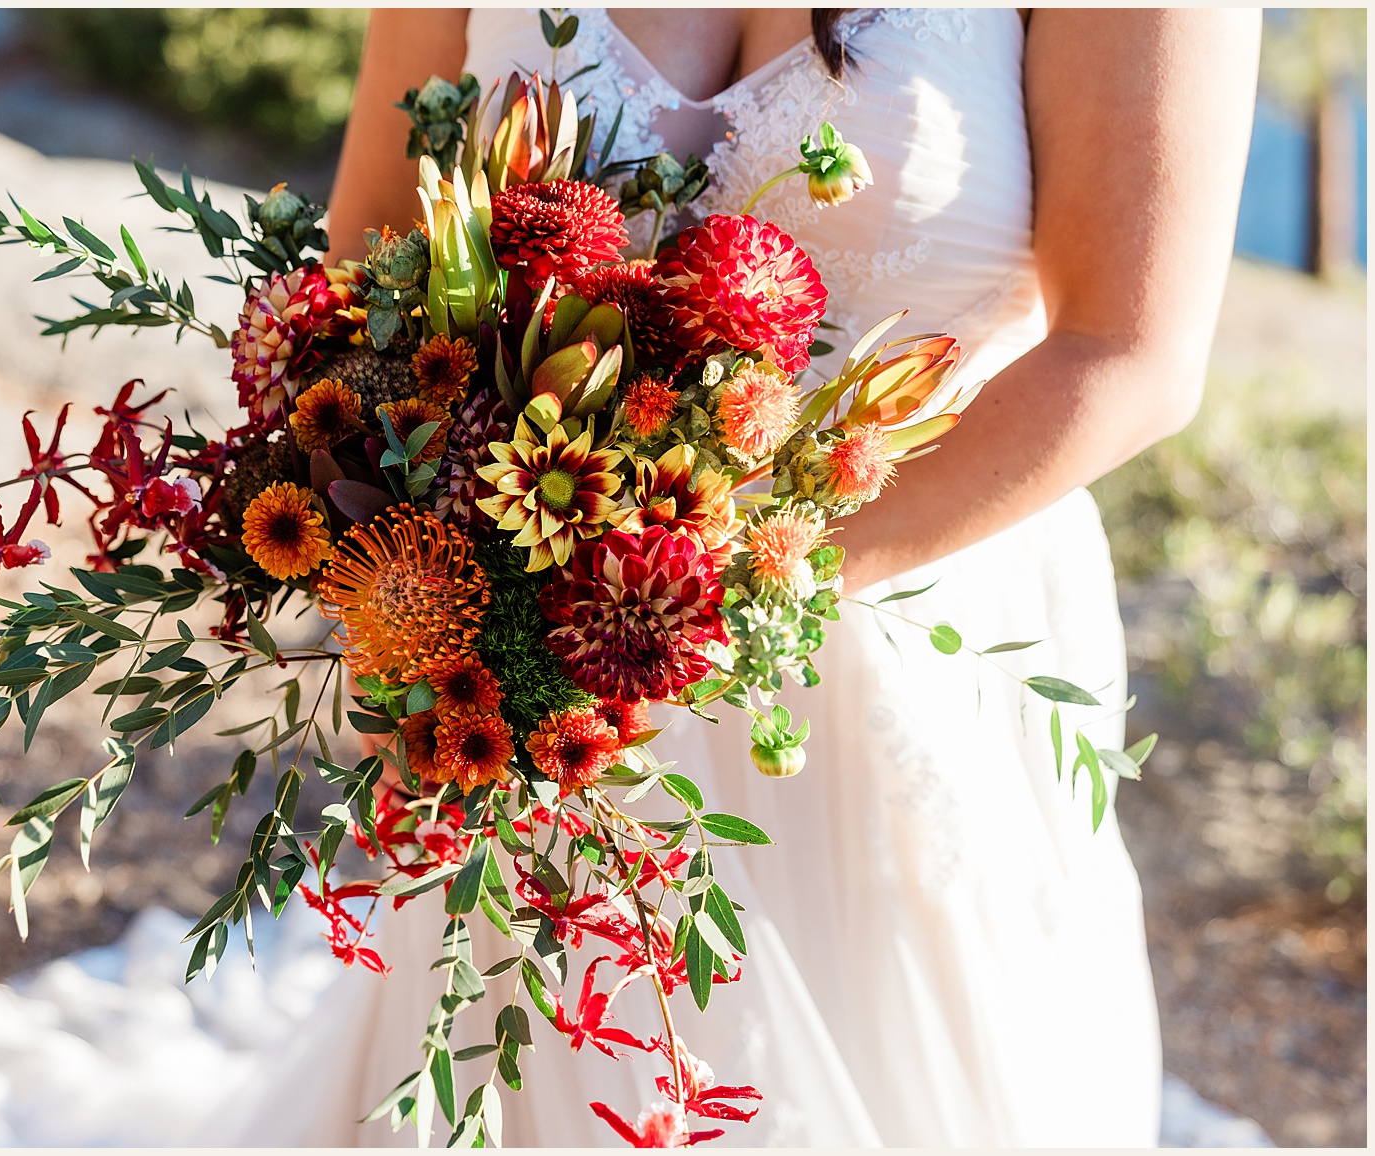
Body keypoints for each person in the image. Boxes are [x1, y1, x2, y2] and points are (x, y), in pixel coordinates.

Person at [210, 8, 1257, 1146]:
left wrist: (716, 599)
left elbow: (1130, 353)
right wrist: (395, 574)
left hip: (887, 655)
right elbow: (368, 250)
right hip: (535, 681)